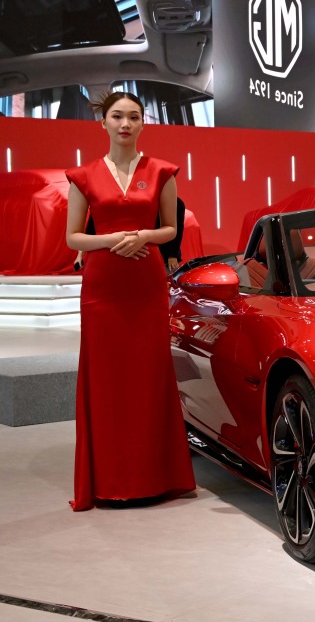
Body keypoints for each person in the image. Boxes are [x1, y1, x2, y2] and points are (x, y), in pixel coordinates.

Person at [64, 91, 195, 511]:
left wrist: (144, 236)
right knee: (106, 381)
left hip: (145, 285)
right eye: (117, 116)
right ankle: (108, 481)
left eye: (133, 117)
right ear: (103, 122)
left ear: (142, 123)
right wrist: (112, 242)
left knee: (148, 378)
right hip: (103, 290)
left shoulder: (162, 172)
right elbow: (73, 238)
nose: (125, 124)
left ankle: (154, 478)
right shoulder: (83, 176)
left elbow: (171, 229)